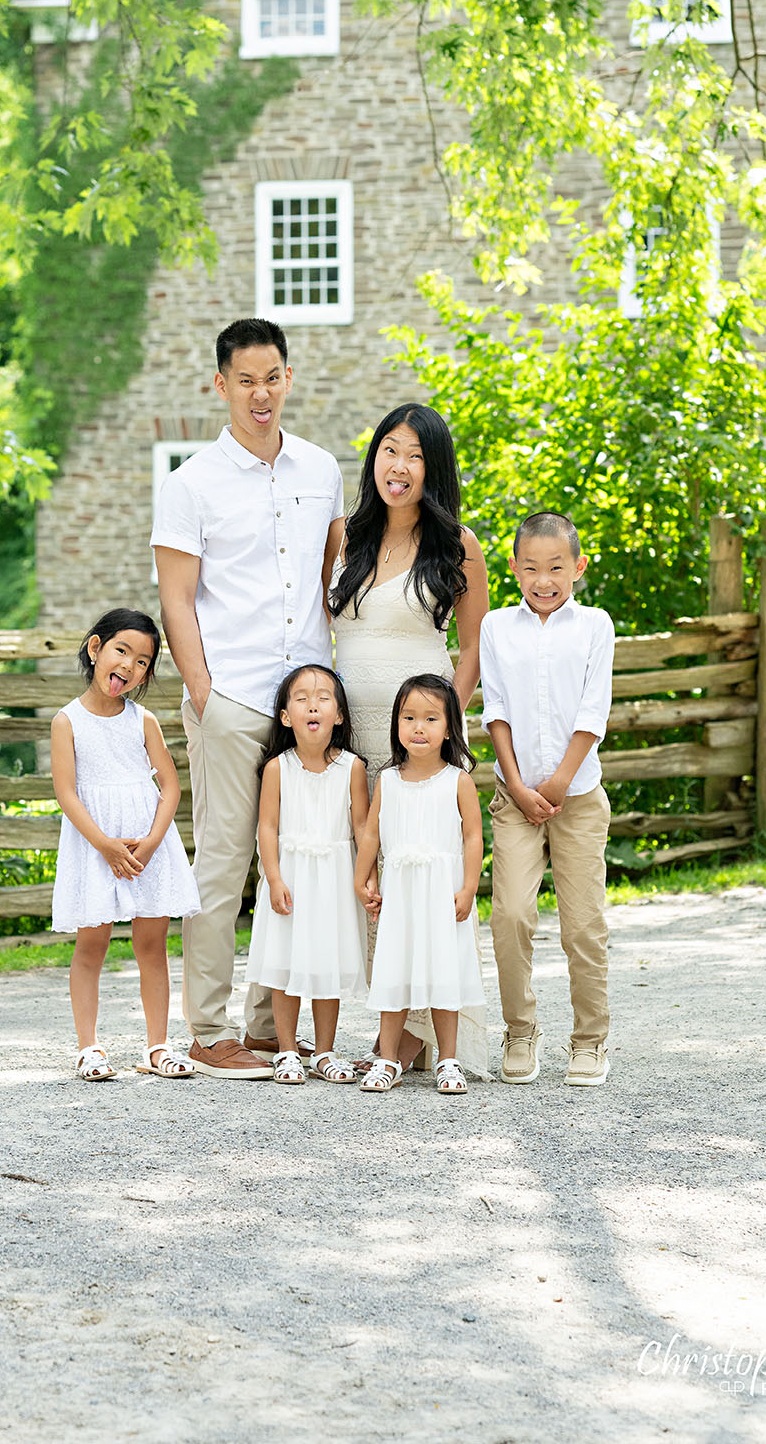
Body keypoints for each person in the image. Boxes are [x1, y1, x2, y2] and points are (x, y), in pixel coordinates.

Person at [152, 318, 345, 1079]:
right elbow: (177, 603)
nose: (260, 394)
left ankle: (271, 1025)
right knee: (226, 860)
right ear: (221, 386)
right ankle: (206, 1028)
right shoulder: (189, 484)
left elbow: (334, 583)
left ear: (288, 379)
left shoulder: (323, 469)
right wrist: (205, 696)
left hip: (310, 704)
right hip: (231, 695)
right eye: (245, 381)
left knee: (295, 858)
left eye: (272, 378)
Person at [329, 403, 488, 1073]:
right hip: (346, 738)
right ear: (374, 458)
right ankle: (398, 1023)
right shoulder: (343, 536)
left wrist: (440, 730)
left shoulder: (458, 546)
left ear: (434, 470)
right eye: (390, 450)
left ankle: (413, 1034)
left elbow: (473, 647)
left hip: (416, 740)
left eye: (416, 456)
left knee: (417, 874)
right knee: (362, 879)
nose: (399, 466)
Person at [481, 511, 615, 1087]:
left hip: (577, 796)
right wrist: (517, 785)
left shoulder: (595, 626)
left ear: (577, 568)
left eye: (556, 567)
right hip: (516, 797)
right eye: (531, 567)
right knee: (510, 914)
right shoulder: (495, 627)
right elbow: (497, 711)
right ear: (513, 568)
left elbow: (593, 710)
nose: (543, 579)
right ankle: (519, 1029)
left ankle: (590, 1041)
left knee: (582, 925)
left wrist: (558, 781)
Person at [50, 610, 201, 1081]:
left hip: (144, 844)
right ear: (96, 649)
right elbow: (67, 793)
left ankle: (157, 1046)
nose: (130, 667)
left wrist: (152, 842)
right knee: (91, 944)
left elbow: (171, 786)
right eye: (122, 652)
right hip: (96, 843)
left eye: (143, 662)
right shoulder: (67, 721)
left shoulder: (144, 720)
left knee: (152, 945)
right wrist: (105, 845)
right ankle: (89, 1048)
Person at [353, 674, 486, 1095]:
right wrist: (363, 878)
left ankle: (448, 1059)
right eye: (409, 717)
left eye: (431, 718)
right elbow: (371, 834)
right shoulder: (388, 781)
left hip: (444, 894)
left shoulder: (458, 780)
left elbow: (472, 837)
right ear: (396, 724)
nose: (418, 727)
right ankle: (387, 1058)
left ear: (450, 728)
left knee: (444, 975)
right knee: (394, 971)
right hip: (402, 894)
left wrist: (469, 887)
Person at [245, 664, 369, 1086]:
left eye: (323, 697)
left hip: (334, 877)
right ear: (285, 716)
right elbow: (267, 827)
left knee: (327, 962)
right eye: (301, 697)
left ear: (339, 715)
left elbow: (361, 828)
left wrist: (365, 876)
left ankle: (325, 1051)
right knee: (286, 963)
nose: (312, 704)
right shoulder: (277, 768)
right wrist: (274, 877)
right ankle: (285, 1050)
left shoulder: (352, 767)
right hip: (292, 877)